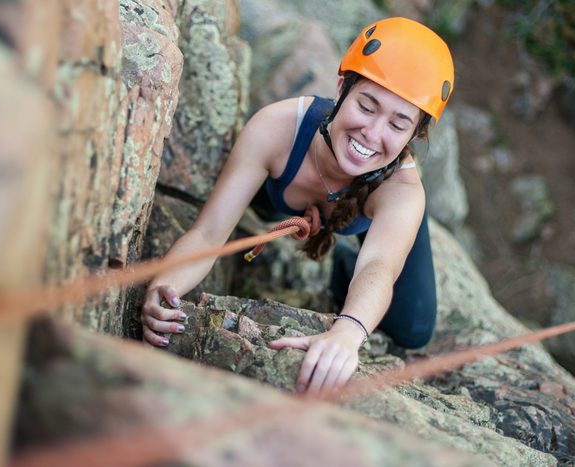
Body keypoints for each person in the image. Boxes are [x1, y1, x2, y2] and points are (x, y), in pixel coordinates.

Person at [141, 17, 455, 396]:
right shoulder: (277, 129)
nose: (372, 134)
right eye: (367, 106)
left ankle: (342, 266)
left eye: (398, 124)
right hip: (279, 194)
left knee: (414, 327)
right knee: (254, 199)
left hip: (365, 215)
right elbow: (209, 232)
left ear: (413, 134)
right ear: (342, 88)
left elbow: (378, 266)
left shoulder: (400, 191)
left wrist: (346, 332)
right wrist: (166, 285)